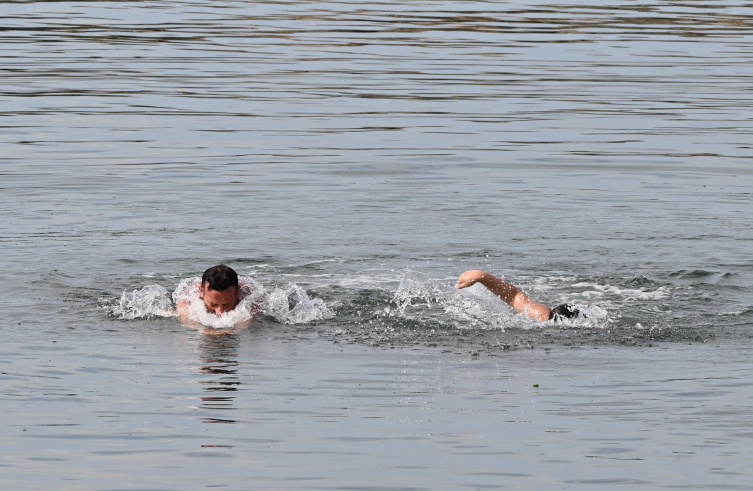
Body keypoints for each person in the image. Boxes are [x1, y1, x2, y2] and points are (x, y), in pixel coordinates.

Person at [455, 270, 582, 322]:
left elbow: (514, 295)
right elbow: (514, 295)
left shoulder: (543, 316)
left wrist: (480, 276)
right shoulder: (544, 315)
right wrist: (480, 276)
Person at [177, 264, 246, 319]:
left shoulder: (249, 296)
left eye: (226, 304)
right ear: (201, 291)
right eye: (213, 304)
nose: (220, 313)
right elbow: (185, 320)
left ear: (237, 292)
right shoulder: (190, 296)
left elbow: (247, 322)